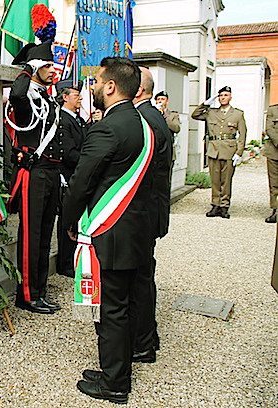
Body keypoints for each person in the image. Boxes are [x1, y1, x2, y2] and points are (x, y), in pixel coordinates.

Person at [62, 57, 152, 404]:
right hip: (133, 231)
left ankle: (115, 384)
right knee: (124, 304)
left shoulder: (107, 127)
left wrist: (69, 220)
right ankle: (117, 367)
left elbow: (82, 181)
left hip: (109, 230)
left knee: (112, 309)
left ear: (111, 86)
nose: (94, 87)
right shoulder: (141, 123)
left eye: (98, 81)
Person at [6, 37, 63, 315]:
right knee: (31, 234)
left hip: (51, 172)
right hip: (34, 172)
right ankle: (27, 295)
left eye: (54, 64)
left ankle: (39, 289)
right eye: (48, 65)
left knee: (45, 235)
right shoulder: (26, 97)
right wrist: (28, 68)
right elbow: (16, 94)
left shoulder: (49, 98)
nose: (54, 70)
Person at [131, 67, 173, 364]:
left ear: (137, 90)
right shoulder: (152, 115)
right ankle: (148, 336)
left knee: (138, 280)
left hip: (143, 213)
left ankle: (142, 344)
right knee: (143, 278)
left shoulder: (145, 119)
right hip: (151, 210)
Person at [192, 86, 247, 219]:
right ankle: (215, 204)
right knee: (215, 179)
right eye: (221, 95)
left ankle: (224, 206)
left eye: (226, 95)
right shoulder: (211, 112)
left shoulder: (237, 114)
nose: (223, 98)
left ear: (230, 97)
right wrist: (205, 104)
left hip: (229, 150)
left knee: (226, 180)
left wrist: (239, 152)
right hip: (214, 149)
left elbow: (242, 134)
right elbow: (195, 115)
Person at [54, 80, 87, 278]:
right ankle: (65, 263)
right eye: (76, 95)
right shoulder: (63, 120)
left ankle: (73, 259)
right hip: (67, 175)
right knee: (67, 220)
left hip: (77, 174)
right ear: (65, 97)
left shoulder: (77, 119)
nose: (80, 98)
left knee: (75, 219)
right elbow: (68, 152)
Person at [154, 90, 181, 166]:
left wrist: (164, 115)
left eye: (162, 99)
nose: (160, 101)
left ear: (167, 101)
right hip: (155, 151)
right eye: (158, 99)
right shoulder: (152, 113)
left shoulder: (173, 115)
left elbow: (177, 128)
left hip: (168, 150)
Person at [262, 104, 278, 223]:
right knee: (274, 183)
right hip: (274, 152)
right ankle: (275, 209)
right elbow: (269, 129)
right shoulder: (273, 110)